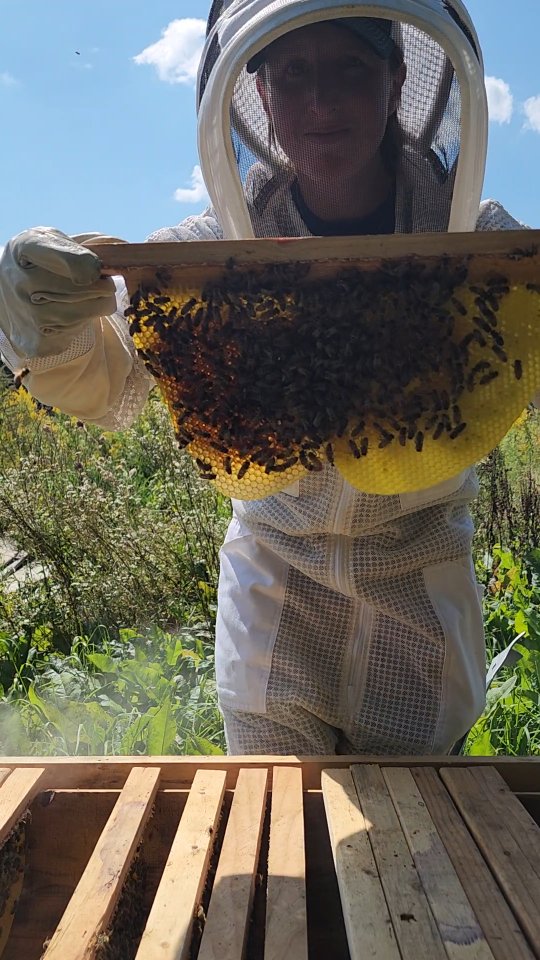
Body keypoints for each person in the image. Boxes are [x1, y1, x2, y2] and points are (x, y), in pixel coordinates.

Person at [0, 1, 531, 756]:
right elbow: (109, 379)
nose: (321, 102)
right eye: (294, 74)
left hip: (420, 587)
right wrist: (50, 322)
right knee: (277, 838)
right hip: (275, 587)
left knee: (417, 851)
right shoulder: (210, 249)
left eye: (351, 67)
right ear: (259, 97)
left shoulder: (481, 245)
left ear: (398, 78)